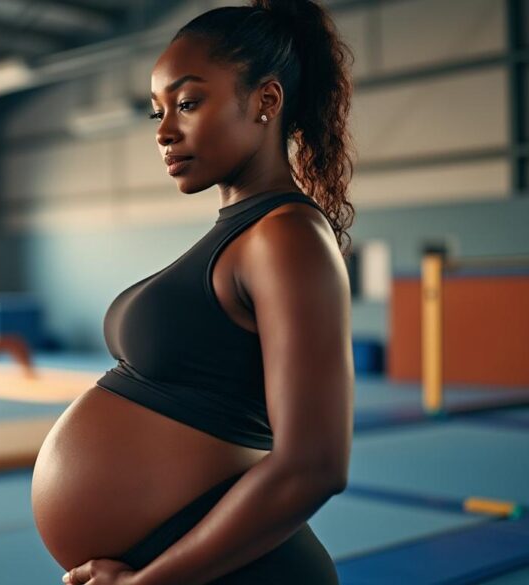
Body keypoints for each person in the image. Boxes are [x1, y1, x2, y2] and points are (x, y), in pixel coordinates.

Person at [30, 1, 356, 583]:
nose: (163, 132)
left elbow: (314, 465)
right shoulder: (241, 235)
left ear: (266, 101)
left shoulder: (287, 236)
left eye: (187, 103)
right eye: (157, 111)